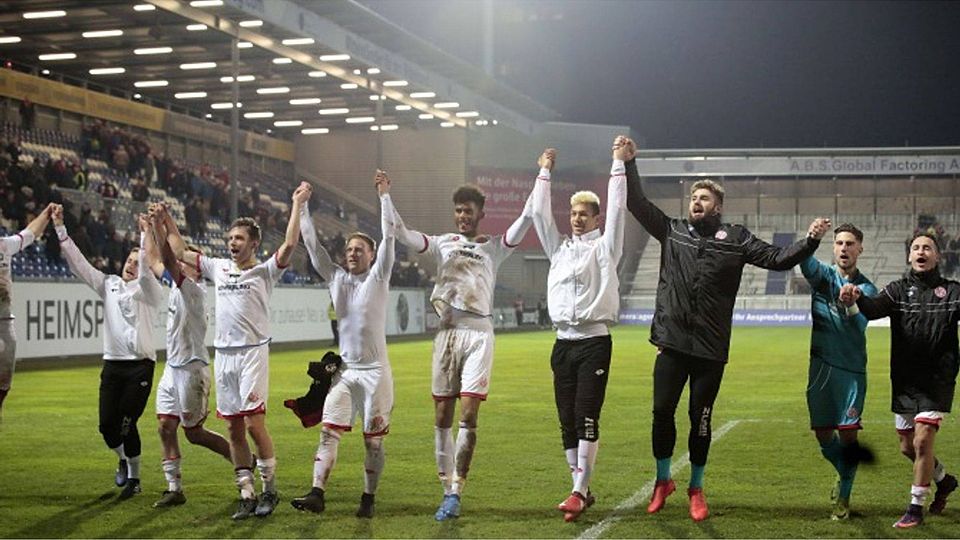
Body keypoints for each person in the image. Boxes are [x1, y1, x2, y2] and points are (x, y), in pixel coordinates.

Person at [621, 135, 829, 521]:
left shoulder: (737, 238)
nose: (695, 203)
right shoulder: (672, 231)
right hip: (671, 342)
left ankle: (696, 487)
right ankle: (663, 479)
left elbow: (778, 259)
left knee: (700, 417)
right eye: (692, 199)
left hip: (710, 350)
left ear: (718, 205)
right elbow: (636, 203)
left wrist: (810, 241)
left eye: (703, 199)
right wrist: (630, 163)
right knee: (661, 413)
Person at [390, 172, 533, 520]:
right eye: (458, 210)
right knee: (442, 416)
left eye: (468, 210)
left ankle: (457, 491)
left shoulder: (494, 246)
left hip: (479, 335)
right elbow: (402, 233)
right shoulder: (443, 242)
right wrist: (385, 197)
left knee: (469, 416)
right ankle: (445, 489)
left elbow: (526, 218)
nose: (463, 216)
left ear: (481, 212)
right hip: (446, 335)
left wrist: (542, 174)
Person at [166, 182, 310, 519]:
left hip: (252, 354)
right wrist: (167, 220)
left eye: (239, 239)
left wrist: (298, 204)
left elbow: (289, 243)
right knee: (233, 428)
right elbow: (179, 251)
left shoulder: (264, 271)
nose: (233, 243)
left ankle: (270, 489)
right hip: (224, 355)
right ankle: (246, 492)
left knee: (255, 425)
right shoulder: (219, 267)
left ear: (253, 244)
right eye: (230, 238)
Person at [525, 145, 626, 521]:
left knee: (586, 415)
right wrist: (545, 171)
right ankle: (579, 489)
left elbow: (617, 209)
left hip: (594, 343)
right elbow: (538, 212)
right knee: (566, 419)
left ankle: (579, 490)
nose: (577, 219)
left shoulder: (605, 248)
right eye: (573, 213)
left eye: (584, 213)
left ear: (596, 218)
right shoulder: (560, 249)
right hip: (562, 343)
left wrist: (617, 162)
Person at [290, 173, 395, 518]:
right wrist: (302, 206)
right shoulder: (336, 278)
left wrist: (383, 197)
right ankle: (317, 493)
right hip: (346, 373)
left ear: (372, 254)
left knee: (373, 441)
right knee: (328, 432)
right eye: (348, 249)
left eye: (358, 249)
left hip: (376, 374)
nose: (351, 253)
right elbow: (312, 245)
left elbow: (390, 235)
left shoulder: (379, 277)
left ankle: (368, 497)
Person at [842, 233, 959, 528]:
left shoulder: (953, 291)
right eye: (916, 248)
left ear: (937, 256)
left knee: (922, 441)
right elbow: (872, 309)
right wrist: (855, 299)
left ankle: (915, 507)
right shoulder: (896, 290)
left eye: (927, 248)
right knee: (907, 447)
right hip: (906, 381)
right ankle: (944, 480)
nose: (921, 252)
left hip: (937, 380)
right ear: (909, 256)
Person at [54, 205, 163, 500]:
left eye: (138, 262)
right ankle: (124, 461)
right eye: (129, 260)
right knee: (106, 426)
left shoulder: (149, 291)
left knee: (127, 423)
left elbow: (146, 275)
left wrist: (145, 236)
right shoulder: (109, 284)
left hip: (140, 366)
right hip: (113, 366)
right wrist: (61, 229)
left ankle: (135, 479)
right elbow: (79, 265)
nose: (131, 265)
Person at [149, 204, 232, 508]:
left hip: (193, 370)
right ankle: (175, 488)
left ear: (196, 270)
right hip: (172, 368)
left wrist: (162, 226)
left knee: (194, 434)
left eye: (187, 262)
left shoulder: (194, 290)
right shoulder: (176, 285)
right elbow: (154, 259)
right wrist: (148, 227)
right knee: (164, 427)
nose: (183, 264)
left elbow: (168, 259)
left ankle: (242, 461)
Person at [799, 223, 877, 520]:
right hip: (820, 369)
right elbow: (804, 262)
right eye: (840, 243)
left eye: (850, 243)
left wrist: (853, 303)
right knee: (823, 433)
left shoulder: (867, 288)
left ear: (860, 249)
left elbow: (859, 326)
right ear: (834, 248)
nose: (844, 248)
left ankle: (843, 498)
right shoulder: (823, 276)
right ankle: (844, 473)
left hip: (851, 371)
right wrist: (812, 238)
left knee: (848, 435)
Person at [0, 204, 54, 418]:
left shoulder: (4, 246)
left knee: (4, 386)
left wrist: (46, 214)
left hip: (5, 323)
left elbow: (29, 234)